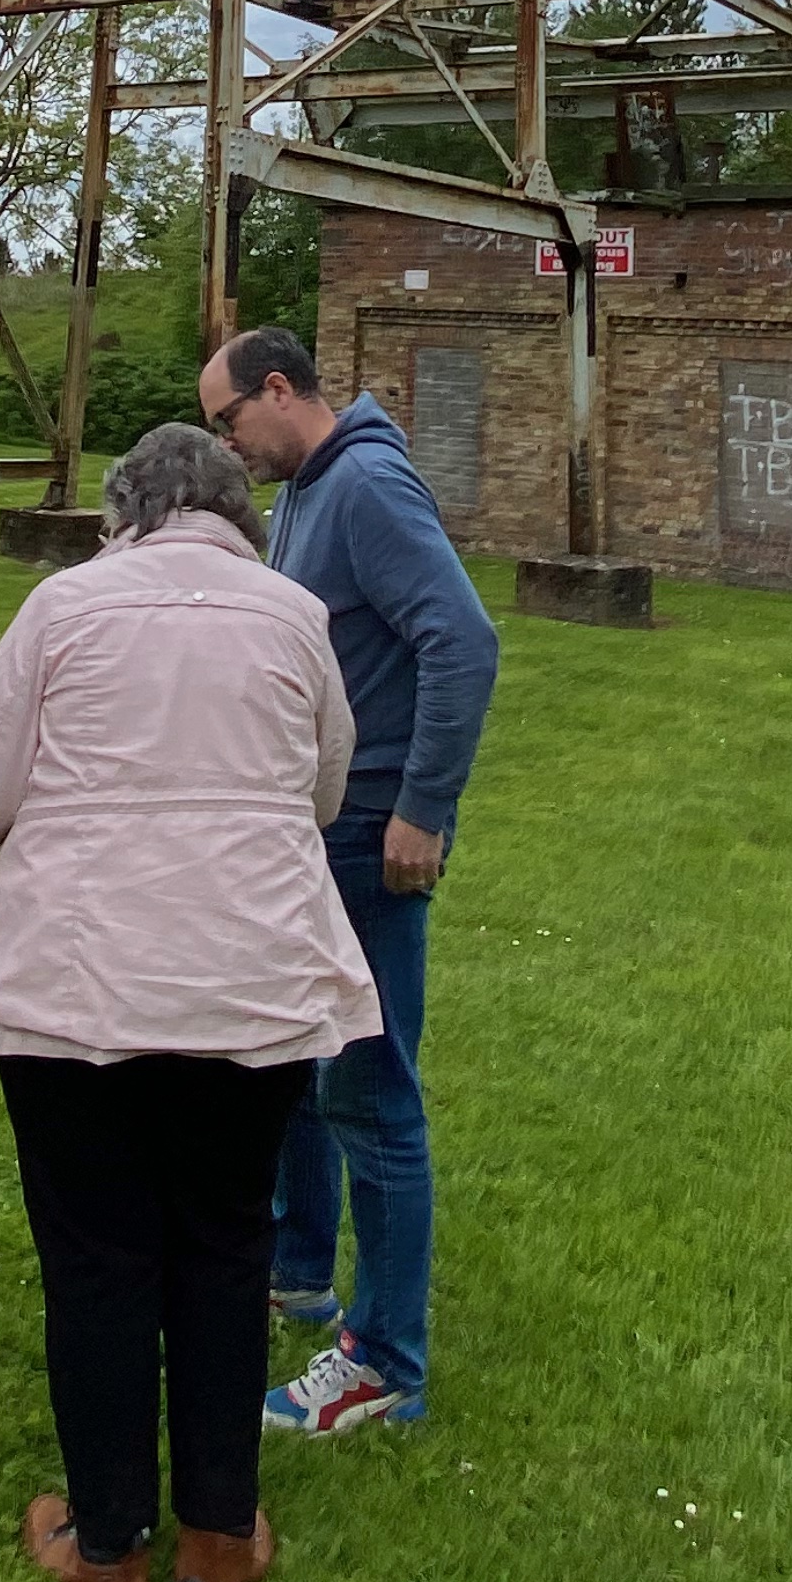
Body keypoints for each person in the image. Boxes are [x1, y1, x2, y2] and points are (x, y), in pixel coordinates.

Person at [0, 423, 377, 1582]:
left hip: (79, 982)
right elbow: (322, 792)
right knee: (224, 1245)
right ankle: (217, 1533)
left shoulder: (65, 605)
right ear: (233, 513)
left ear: (126, 513)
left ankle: (108, 1549)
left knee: (97, 1259)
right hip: (250, 981)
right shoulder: (292, 613)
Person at [193, 324, 499, 1439]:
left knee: (370, 1090)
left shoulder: (363, 483)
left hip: (372, 831)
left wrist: (423, 808)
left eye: (231, 420)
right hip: (315, 826)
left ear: (281, 390)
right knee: (302, 1060)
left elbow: (462, 642)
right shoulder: (309, 490)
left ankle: (384, 1359)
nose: (231, 447)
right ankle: (298, 1270)